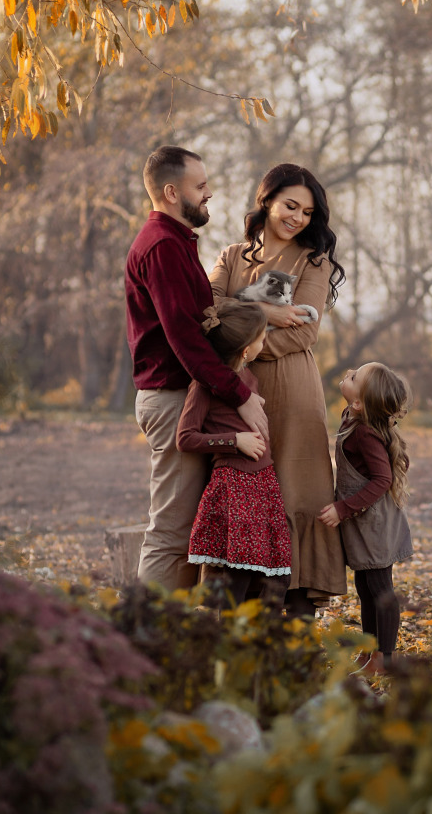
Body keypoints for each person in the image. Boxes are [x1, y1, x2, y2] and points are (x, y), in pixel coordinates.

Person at [125, 145, 269, 590]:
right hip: (171, 402)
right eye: (200, 186)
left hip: (184, 398)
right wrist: (240, 396)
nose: (210, 193)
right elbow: (185, 339)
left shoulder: (177, 241)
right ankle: (145, 642)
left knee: (191, 534)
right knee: (171, 533)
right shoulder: (162, 247)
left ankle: (178, 642)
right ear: (172, 192)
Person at [208, 164, 345, 616]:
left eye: (307, 211)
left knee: (296, 491)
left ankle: (297, 611)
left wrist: (242, 336)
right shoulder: (231, 257)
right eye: (290, 205)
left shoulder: (313, 260)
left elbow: (304, 333)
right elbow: (205, 311)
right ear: (266, 200)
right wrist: (266, 311)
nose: (298, 218)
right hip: (237, 390)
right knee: (244, 489)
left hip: (294, 392)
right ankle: (240, 610)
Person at [175, 300, 290, 605]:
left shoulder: (250, 378)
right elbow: (186, 438)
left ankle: (263, 643)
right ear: (245, 350)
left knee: (279, 576)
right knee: (237, 578)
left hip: (263, 485)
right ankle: (229, 646)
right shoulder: (204, 385)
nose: (265, 341)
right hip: (235, 486)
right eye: (262, 337)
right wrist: (234, 441)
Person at [317, 362, 413, 675]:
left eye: (355, 376)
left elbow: (382, 479)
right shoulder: (353, 417)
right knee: (365, 585)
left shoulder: (365, 433)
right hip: (363, 522)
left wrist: (342, 509)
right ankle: (371, 652)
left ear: (359, 402)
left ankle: (385, 661)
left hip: (375, 523)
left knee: (380, 588)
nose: (349, 373)